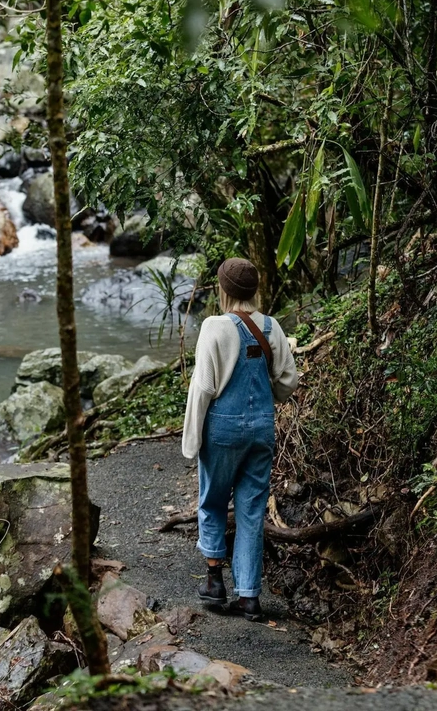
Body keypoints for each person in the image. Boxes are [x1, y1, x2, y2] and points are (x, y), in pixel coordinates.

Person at [181, 257, 299, 621]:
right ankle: (249, 596)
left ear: (223, 289)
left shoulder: (214, 327)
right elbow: (288, 380)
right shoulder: (272, 326)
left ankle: (215, 580)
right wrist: (272, 397)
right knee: (251, 510)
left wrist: (191, 439)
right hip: (262, 427)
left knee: (213, 499)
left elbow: (203, 387)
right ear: (255, 290)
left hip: (223, 427)